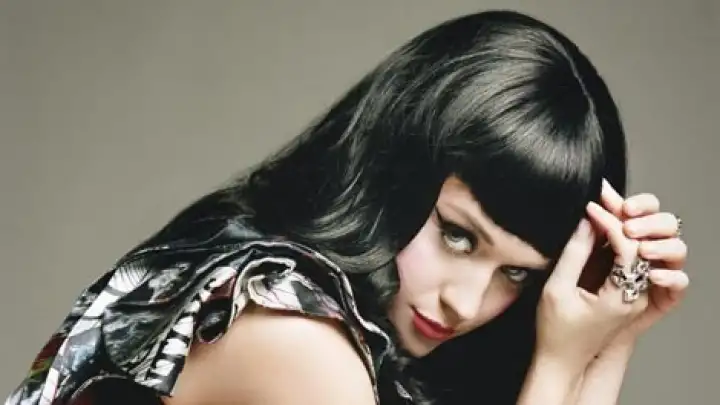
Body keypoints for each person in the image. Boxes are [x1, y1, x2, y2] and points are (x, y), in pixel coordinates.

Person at [6, 9, 688, 405]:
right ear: (393, 168)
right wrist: (561, 368)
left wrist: (611, 336)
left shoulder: (318, 299)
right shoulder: (296, 335)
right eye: (457, 236)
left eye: (515, 274)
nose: (465, 303)